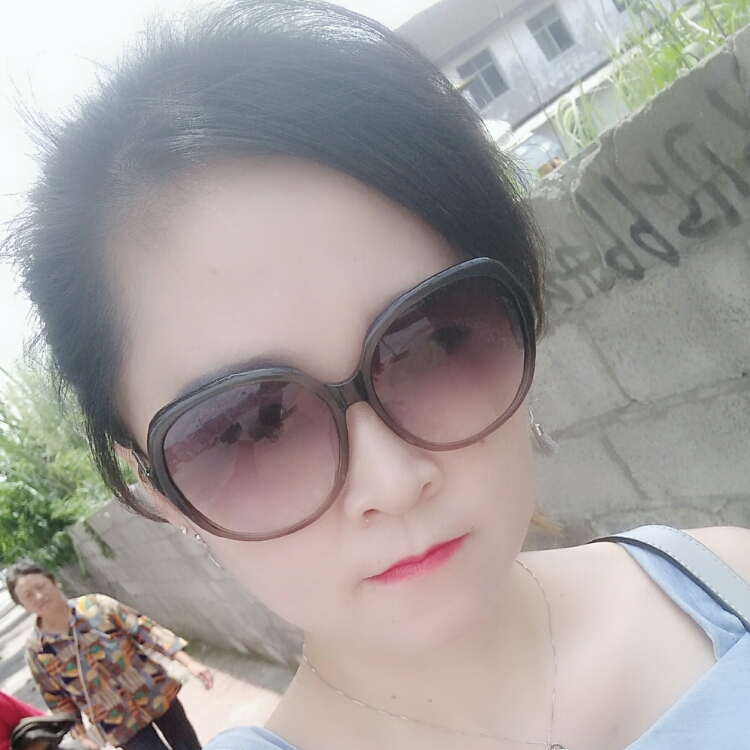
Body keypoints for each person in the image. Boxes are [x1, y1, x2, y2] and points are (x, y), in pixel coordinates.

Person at [3, 2, 749, 748]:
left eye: (434, 341)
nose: (393, 484)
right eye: (246, 428)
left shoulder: (727, 579)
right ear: (160, 493)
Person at [5, 561, 212, 750]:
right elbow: (58, 700)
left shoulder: (96, 606)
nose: (39, 597)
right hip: (117, 724)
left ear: (53, 581)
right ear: (22, 605)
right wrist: (82, 737)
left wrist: (190, 663)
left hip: (156, 694)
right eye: (28, 596)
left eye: (40, 587)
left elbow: (146, 631)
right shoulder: (38, 652)